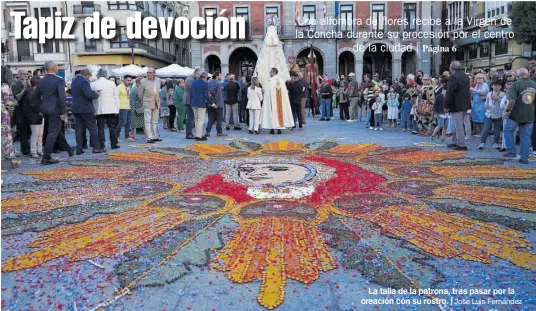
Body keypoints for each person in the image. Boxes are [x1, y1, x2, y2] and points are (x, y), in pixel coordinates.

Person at [32, 61, 74, 164]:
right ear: (55, 69)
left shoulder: (41, 81)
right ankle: (46, 157)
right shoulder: (58, 80)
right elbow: (62, 97)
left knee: (55, 130)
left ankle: (68, 148)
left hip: (45, 110)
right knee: (53, 132)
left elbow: (34, 97)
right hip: (56, 110)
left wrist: (40, 108)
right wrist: (63, 112)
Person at [503, 68, 536, 164]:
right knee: (525, 137)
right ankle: (524, 158)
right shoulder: (534, 84)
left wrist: (507, 110)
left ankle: (511, 151)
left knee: (507, 130)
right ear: (528, 74)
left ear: (517, 76)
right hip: (529, 115)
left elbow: (512, 100)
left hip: (515, 115)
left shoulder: (516, 84)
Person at [71, 69, 102, 154]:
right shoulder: (84, 82)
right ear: (86, 75)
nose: (89, 78)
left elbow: (81, 93)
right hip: (86, 109)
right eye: (89, 76)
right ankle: (96, 148)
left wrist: (92, 92)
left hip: (76, 108)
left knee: (79, 129)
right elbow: (88, 95)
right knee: (92, 128)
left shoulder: (74, 81)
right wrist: (96, 94)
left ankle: (79, 149)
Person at [91, 69, 120, 150]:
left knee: (100, 128)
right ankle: (114, 144)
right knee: (112, 127)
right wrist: (117, 108)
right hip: (111, 108)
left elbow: (92, 98)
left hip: (99, 109)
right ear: (106, 75)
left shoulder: (93, 84)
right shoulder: (111, 83)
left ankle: (101, 145)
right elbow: (116, 97)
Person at [446, 61, 471, 151]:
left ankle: (461, 144)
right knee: (458, 124)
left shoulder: (453, 76)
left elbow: (450, 91)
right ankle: (454, 141)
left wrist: (446, 104)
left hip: (456, 104)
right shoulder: (465, 76)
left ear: (451, 68)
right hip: (465, 103)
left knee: (458, 124)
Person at [262, 68, 295, 134]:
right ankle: (279, 129)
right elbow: (284, 92)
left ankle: (272, 129)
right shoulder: (281, 80)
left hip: (272, 100)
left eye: (270, 72)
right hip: (280, 101)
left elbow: (268, 92)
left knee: (272, 113)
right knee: (280, 112)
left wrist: (265, 96)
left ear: (274, 72)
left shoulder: (270, 81)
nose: (270, 73)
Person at [1, 66, 21, 167]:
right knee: (5, 135)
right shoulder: (4, 86)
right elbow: (9, 103)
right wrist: (11, 112)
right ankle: (5, 158)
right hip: (2, 114)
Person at [479, 78, 505, 150]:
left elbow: (504, 105)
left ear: (501, 86)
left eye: (498, 85)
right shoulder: (489, 93)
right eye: (494, 85)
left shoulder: (503, 94)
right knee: (486, 129)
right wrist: (486, 105)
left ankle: (495, 143)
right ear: (492, 86)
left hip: (498, 114)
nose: (496, 87)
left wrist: (498, 99)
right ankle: (482, 142)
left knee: (497, 129)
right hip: (489, 114)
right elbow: (486, 102)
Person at [138, 67, 162, 143]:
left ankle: (154, 136)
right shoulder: (143, 81)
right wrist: (143, 102)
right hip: (147, 103)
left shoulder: (158, 80)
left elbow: (158, 92)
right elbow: (140, 93)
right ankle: (149, 137)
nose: (148, 74)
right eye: (147, 73)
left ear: (154, 73)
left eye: (150, 73)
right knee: (147, 120)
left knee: (154, 120)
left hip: (156, 103)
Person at [11, 70, 31, 155]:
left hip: (29, 111)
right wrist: (24, 89)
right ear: (19, 75)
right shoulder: (15, 85)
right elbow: (16, 98)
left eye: (26, 74)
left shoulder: (29, 84)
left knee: (30, 131)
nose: (25, 75)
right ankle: (24, 149)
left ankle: (29, 147)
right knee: (23, 132)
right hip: (20, 112)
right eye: (23, 74)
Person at [24, 77, 44, 158]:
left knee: (40, 134)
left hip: (38, 115)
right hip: (34, 116)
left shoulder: (34, 92)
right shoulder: (31, 92)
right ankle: (33, 151)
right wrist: (41, 111)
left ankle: (39, 150)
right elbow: (33, 105)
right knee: (36, 134)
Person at [191, 72, 212, 141]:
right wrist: (212, 103)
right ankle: (198, 136)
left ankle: (197, 134)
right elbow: (206, 95)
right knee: (200, 120)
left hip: (194, 102)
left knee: (196, 119)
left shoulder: (194, 82)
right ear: (205, 77)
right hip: (201, 104)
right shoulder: (205, 83)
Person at [207, 72, 227, 137]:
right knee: (219, 119)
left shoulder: (209, 82)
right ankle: (219, 132)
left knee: (211, 118)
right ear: (217, 76)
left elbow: (208, 93)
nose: (221, 76)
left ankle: (208, 131)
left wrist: (212, 103)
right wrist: (216, 103)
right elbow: (218, 95)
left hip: (211, 103)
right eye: (220, 75)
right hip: (218, 104)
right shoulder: (218, 83)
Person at [116, 75, 135, 142]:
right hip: (122, 107)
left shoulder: (128, 87)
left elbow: (128, 96)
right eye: (128, 80)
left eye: (130, 80)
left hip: (128, 107)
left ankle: (127, 136)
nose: (129, 82)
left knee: (128, 122)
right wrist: (117, 107)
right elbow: (116, 97)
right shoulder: (119, 87)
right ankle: (116, 136)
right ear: (124, 80)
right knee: (122, 122)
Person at [184, 68, 201, 139]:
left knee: (191, 117)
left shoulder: (192, 79)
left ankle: (190, 132)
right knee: (190, 118)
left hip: (190, 100)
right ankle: (188, 133)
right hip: (189, 101)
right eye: (199, 75)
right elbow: (194, 89)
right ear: (196, 73)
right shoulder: (190, 80)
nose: (200, 76)